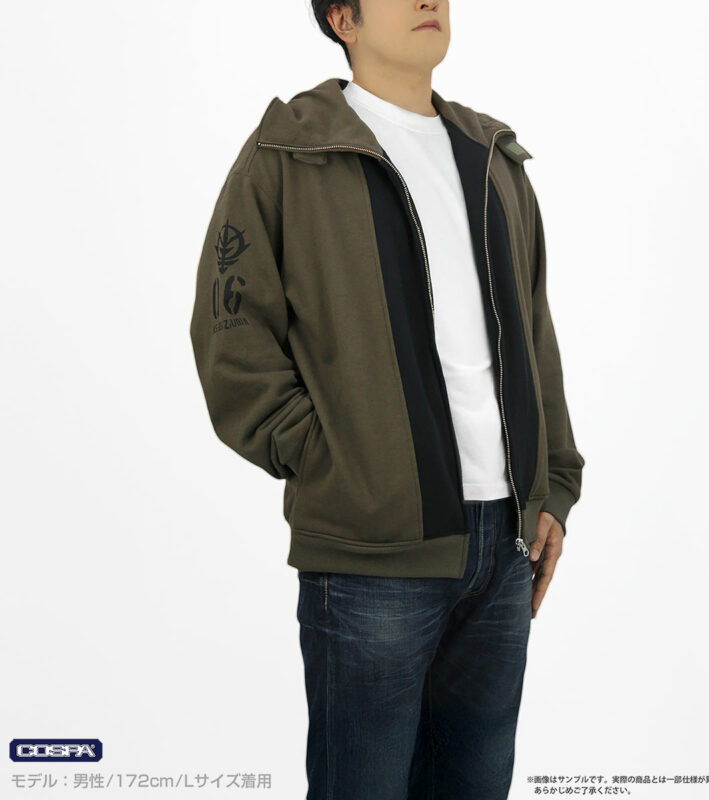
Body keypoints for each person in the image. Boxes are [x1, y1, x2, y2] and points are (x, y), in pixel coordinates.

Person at [189, 1, 585, 797]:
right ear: (344, 18)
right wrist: (330, 459)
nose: (429, 0)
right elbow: (231, 333)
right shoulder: (288, 154)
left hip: (504, 551)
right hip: (371, 554)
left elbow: (534, 331)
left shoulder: (492, 156)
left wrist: (553, 485)